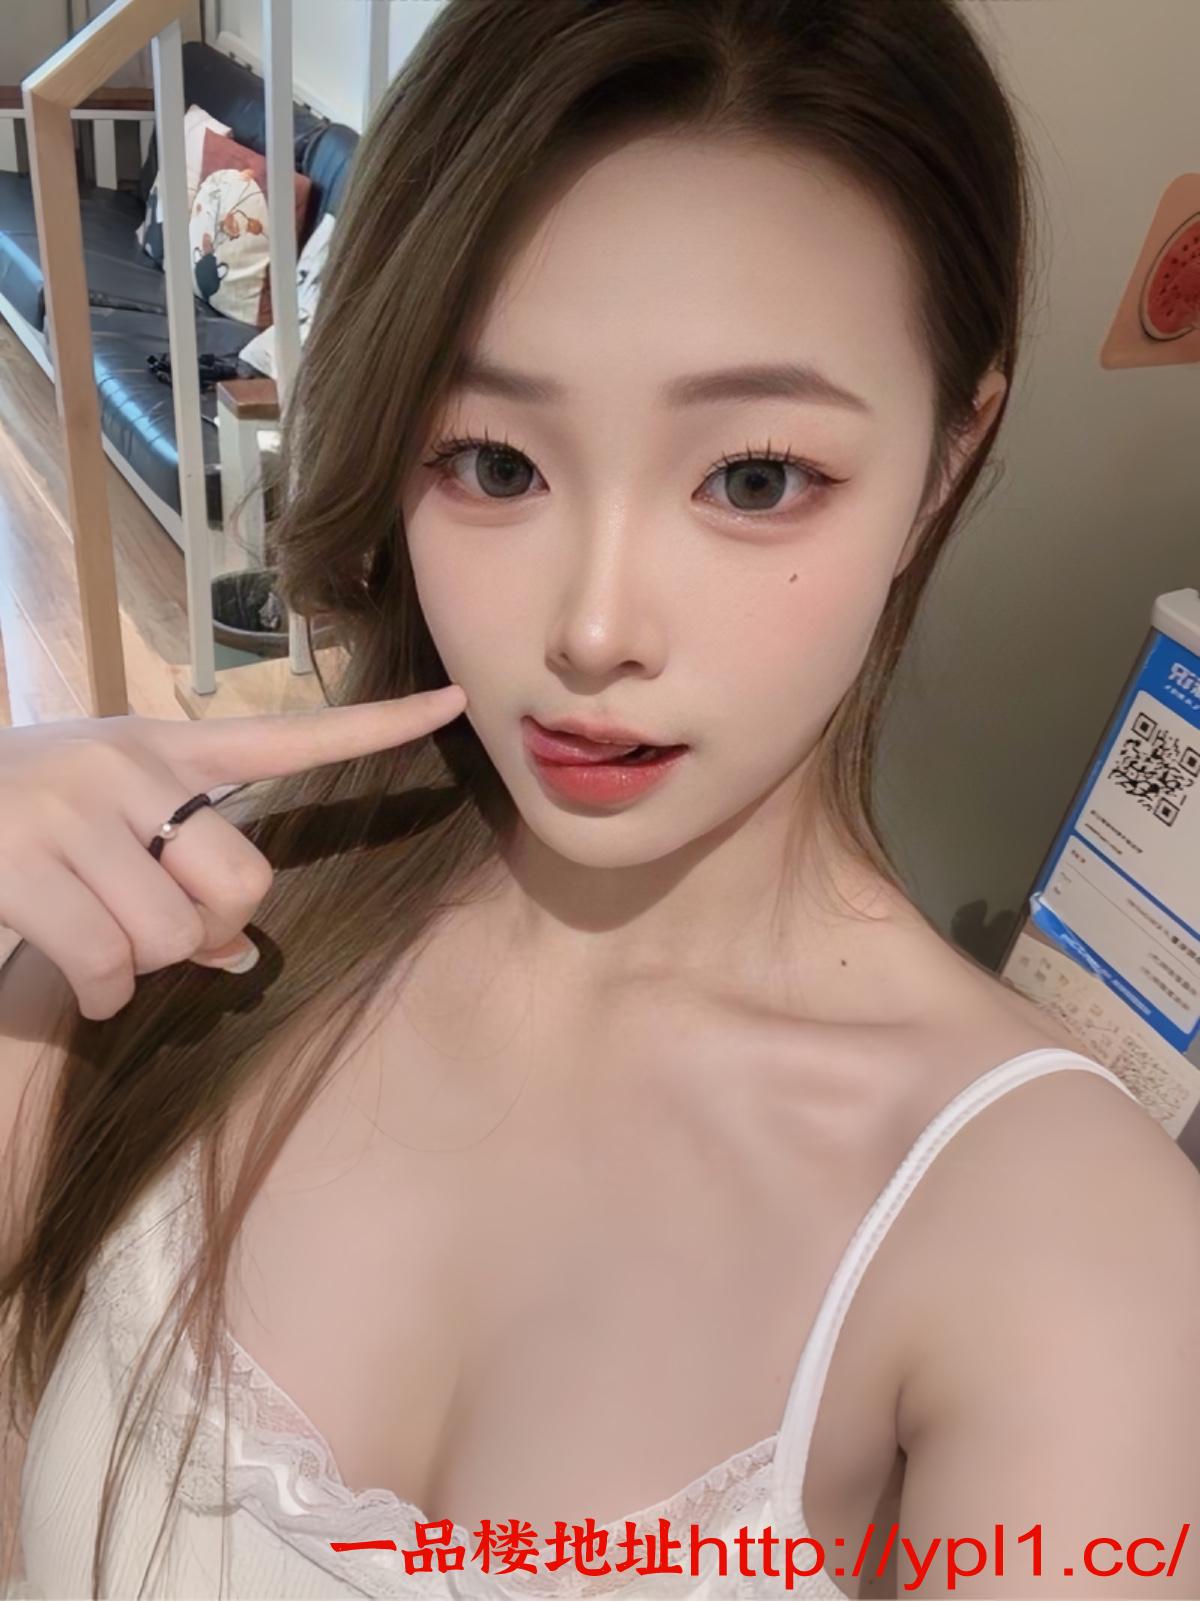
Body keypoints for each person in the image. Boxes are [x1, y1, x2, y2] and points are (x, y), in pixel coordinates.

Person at [3, 0, 1200, 1596]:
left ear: (944, 458)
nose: (592, 629)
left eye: (754, 477)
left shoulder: (1071, 1248)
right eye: (495, 462)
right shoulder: (184, 917)